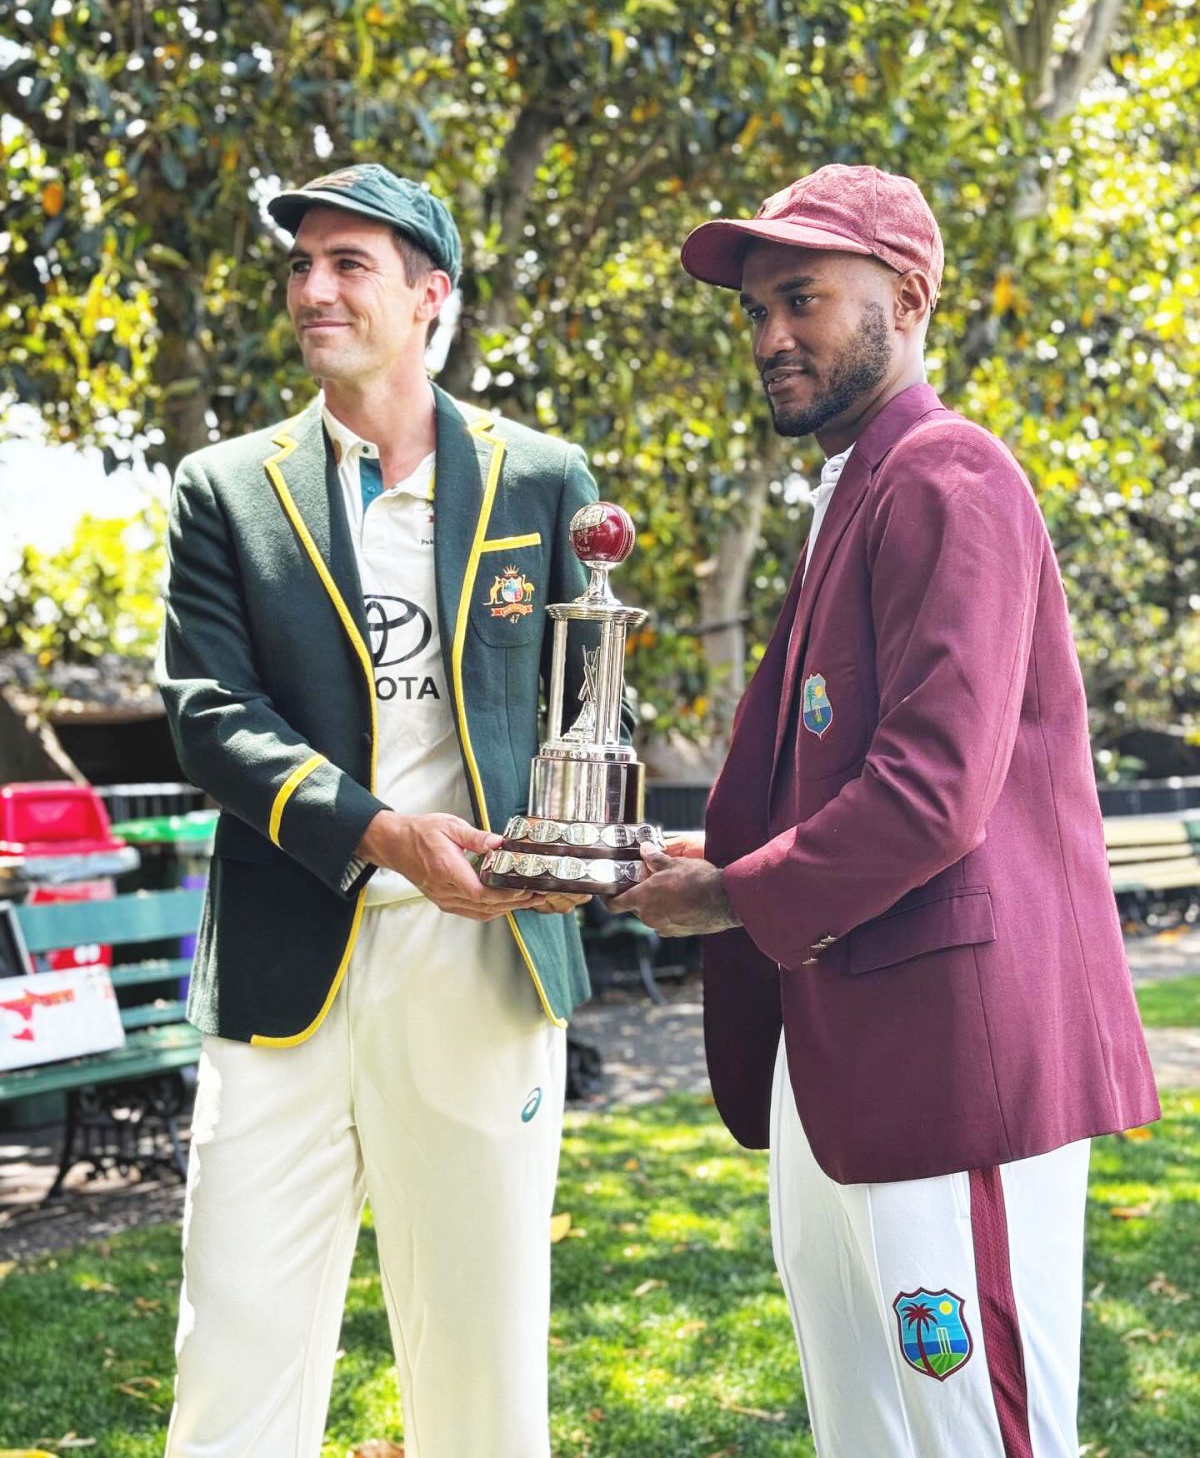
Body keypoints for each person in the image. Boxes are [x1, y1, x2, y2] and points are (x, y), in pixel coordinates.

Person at [611, 163, 1160, 1457]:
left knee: (975, 1433)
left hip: (949, 1064)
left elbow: (930, 792)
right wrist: (719, 854)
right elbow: (843, 775)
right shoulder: (862, 485)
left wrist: (734, 894)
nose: (769, 337)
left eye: (801, 297)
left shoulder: (946, 474)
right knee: (867, 1428)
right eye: (754, 311)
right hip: (847, 1050)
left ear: (908, 296)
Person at [157, 162, 602, 1458]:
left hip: (481, 962)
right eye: (300, 264)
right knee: (233, 1347)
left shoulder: (544, 482)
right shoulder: (224, 488)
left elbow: (590, 717)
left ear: (430, 297)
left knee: (481, 1366)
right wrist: (376, 831)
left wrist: (587, 860)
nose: (313, 287)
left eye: (349, 262)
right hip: (285, 966)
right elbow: (207, 713)